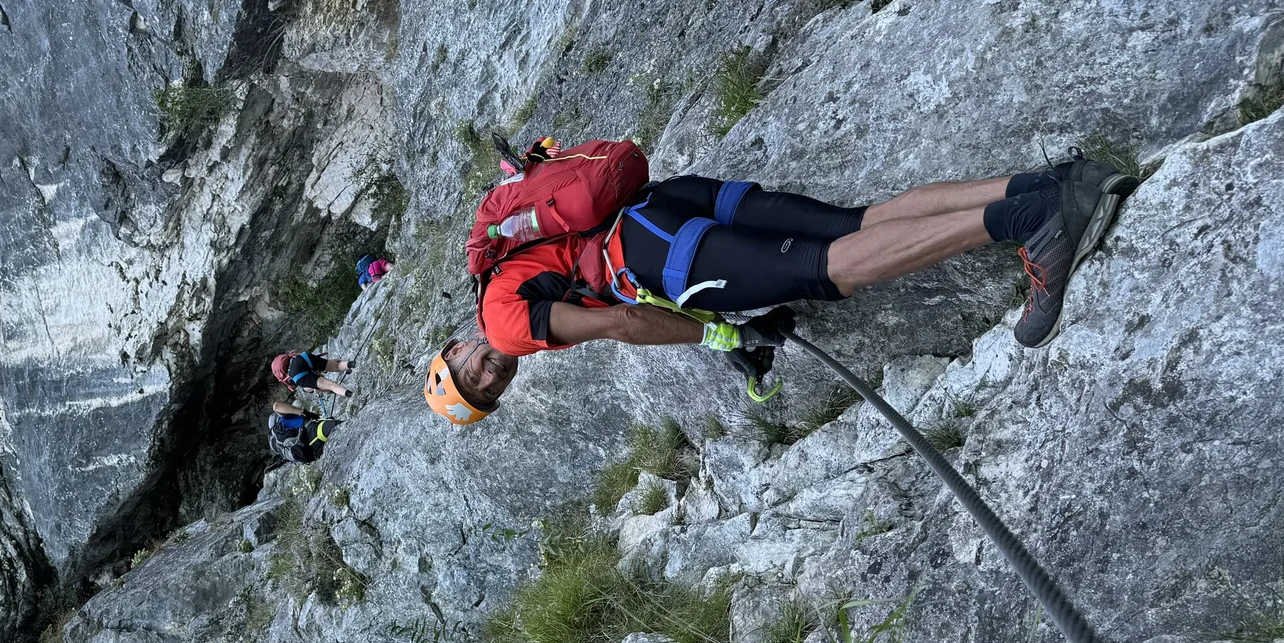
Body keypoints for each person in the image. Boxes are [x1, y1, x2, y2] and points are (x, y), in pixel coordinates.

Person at [424, 154, 1136, 425]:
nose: (490, 375)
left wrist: (724, 332)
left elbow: (623, 323)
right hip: (666, 202)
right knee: (859, 221)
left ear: (455, 348)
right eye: (488, 391)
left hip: (650, 250)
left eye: (470, 374)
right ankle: (1055, 183)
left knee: (833, 267)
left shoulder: (509, 325)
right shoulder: (500, 271)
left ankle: (1031, 221)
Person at [267, 402, 339, 464]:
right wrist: (305, 412)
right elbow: (276, 406)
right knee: (342, 426)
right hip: (315, 432)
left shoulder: (285, 444)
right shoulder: (284, 420)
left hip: (314, 450)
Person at [270, 350, 352, 397]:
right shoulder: (293, 356)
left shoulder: (290, 379)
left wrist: (317, 388)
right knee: (336, 366)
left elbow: (309, 388)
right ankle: (350, 364)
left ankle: (350, 394)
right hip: (302, 358)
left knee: (331, 386)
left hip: (298, 375)